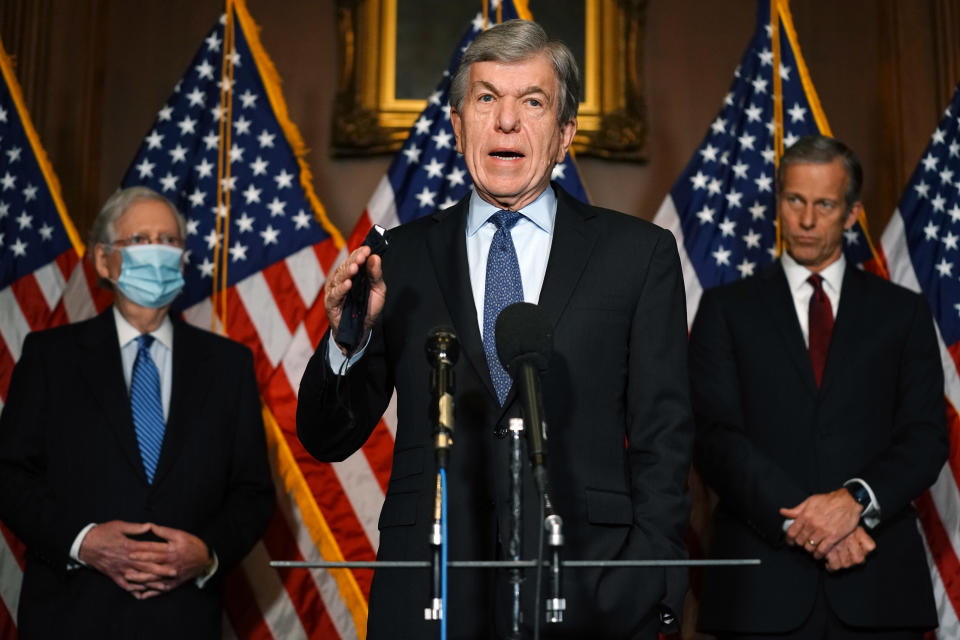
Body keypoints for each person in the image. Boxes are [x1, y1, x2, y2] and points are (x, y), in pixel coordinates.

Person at [297, 19, 692, 639]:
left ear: (565, 135)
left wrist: (649, 578)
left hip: (589, 589)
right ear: (458, 128)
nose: (506, 121)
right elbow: (326, 439)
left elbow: (663, 439)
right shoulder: (397, 258)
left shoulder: (638, 256)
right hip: (432, 589)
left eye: (532, 102)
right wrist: (348, 343)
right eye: (486, 99)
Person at [690, 134, 947, 638]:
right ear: (779, 202)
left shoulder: (903, 313)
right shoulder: (725, 310)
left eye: (825, 204)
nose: (806, 220)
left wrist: (853, 502)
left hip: (877, 587)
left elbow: (925, 436)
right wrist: (808, 525)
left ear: (852, 214)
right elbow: (714, 437)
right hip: (760, 592)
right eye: (795, 201)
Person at [0, 187, 276, 638]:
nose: (158, 253)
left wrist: (207, 553)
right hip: (71, 616)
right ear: (104, 261)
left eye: (168, 241)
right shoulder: (52, 358)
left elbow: (253, 493)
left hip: (183, 620)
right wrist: (83, 542)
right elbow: (10, 474)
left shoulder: (229, 366)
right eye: (141, 241)